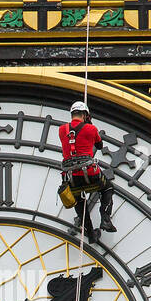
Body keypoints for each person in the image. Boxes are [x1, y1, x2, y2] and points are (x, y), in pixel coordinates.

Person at [58, 100, 114, 242]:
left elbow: (71, 143)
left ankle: (90, 234)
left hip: (71, 178)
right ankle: (105, 219)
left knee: (79, 203)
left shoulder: (61, 129)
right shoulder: (91, 129)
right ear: (85, 115)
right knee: (107, 188)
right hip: (90, 173)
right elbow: (99, 145)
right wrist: (89, 124)